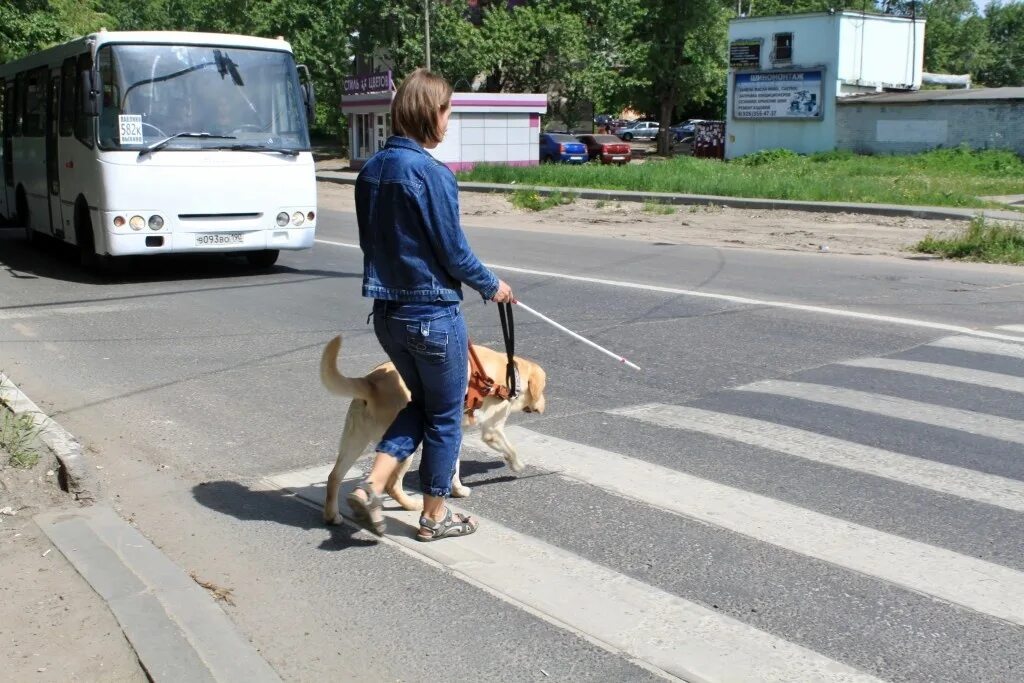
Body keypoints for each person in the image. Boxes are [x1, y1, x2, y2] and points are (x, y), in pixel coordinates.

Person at [347, 68, 514, 542]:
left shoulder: (372, 171)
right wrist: (492, 285)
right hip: (432, 315)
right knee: (444, 416)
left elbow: (371, 244)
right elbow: (453, 252)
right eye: (447, 113)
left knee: (422, 405)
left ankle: (371, 486)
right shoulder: (431, 173)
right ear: (430, 113)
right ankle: (435, 516)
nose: (448, 123)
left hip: (387, 314)